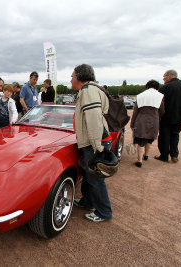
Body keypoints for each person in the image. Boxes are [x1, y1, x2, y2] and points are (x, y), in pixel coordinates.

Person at [71, 64, 113, 222]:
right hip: (94, 141)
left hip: (94, 142)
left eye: (72, 76)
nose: (71, 79)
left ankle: (104, 212)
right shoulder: (93, 89)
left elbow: (94, 119)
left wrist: (97, 148)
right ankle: (87, 202)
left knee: (96, 179)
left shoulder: (88, 91)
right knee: (89, 177)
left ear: (80, 76)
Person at [155, 70, 181, 163]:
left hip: (167, 117)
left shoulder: (166, 87)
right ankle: (174, 155)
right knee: (175, 135)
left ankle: (164, 156)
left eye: (164, 76)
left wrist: (159, 115)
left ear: (169, 76)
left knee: (164, 136)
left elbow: (160, 104)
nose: (163, 78)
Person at [130, 80, 164, 167]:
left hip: (141, 119)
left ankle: (139, 160)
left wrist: (132, 123)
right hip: (154, 118)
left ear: (147, 86)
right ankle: (146, 155)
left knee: (140, 140)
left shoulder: (141, 95)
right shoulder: (161, 96)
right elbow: (162, 111)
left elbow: (135, 111)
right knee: (150, 138)